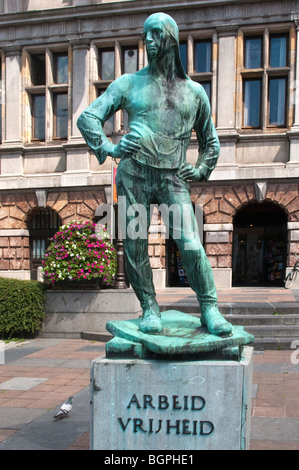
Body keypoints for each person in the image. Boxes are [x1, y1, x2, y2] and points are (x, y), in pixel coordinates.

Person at [77, 12, 232, 336]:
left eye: (156, 34)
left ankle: (210, 308)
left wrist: (203, 168)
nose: (147, 40)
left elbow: (210, 140)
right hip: (133, 176)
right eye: (145, 33)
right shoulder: (128, 83)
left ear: (171, 40)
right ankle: (149, 307)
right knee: (134, 245)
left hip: (172, 177)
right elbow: (88, 118)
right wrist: (109, 148)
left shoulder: (194, 92)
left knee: (190, 243)